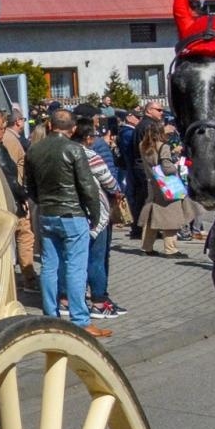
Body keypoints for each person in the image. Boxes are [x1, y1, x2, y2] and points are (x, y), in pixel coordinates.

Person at [25, 107, 111, 338]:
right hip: (72, 213)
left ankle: (51, 316)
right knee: (75, 267)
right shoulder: (74, 149)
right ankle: (80, 320)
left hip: (47, 213)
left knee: (49, 265)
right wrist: (95, 213)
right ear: (73, 129)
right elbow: (87, 185)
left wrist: (42, 202)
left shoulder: (34, 149)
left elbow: (30, 185)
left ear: (50, 125)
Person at [71, 122, 126, 319]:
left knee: (70, 259)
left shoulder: (61, 153)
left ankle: (66, 299)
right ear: (88, 138)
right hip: (93, 211)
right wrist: (117, 191)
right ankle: (99, 301)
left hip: (67, 210)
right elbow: (109, 181)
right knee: (97, 257)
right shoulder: (89, 155)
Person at [0, 109, 35, 291]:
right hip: (0, 210)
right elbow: (10, 177)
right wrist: (22, 196)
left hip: (8, 204)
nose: (4, 130)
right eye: (2, 128)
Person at [136, 117, 194, 256]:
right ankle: (171, 249)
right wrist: (176, 166)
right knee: (171, 216)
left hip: (152, 183)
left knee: (151, 217)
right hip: (167, 185)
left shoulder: (142, 145)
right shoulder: (163, 146)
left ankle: (146, 247)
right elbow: (167, 167)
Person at [117, 107, 143, 238]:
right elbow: (131, 151)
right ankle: (135, 225)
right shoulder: (127, 132)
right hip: (131, 168)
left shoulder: (131, 131)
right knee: (133, 196)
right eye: (137, 117)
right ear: (129, 117)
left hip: (131, 168)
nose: (139, 120)